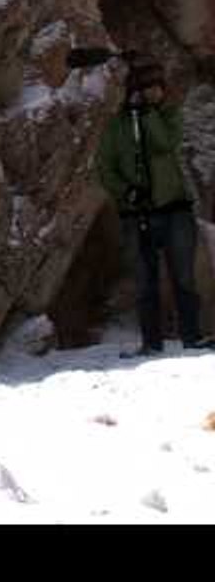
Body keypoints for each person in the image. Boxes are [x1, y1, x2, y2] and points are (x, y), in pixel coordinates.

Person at [96, 53, 214, 358]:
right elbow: (105, 167)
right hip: (135, 214)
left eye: (158, 87)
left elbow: (165, 143)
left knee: (184, 278)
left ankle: (192, 337)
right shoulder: (116, 127)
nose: (155, 92)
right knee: (145, 282)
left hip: (175, 210)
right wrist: (126, 192)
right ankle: (151, 343)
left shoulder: (169, 116)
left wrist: (146, 114)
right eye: (148, 87)